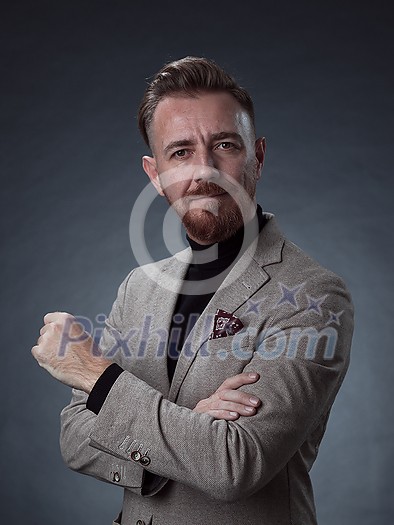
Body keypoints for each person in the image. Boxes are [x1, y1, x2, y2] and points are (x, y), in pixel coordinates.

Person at [32, 56, 354, 525]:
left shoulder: (315, 295)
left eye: (224, 145)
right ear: (155, 173)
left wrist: (100, 379)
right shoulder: (138, 287)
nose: (206, 170)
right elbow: (73, 438)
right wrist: (191, 426)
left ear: (258, 156)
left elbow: (235, 463)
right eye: (180, 151)